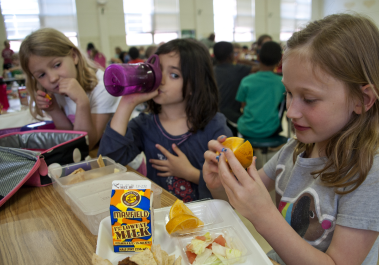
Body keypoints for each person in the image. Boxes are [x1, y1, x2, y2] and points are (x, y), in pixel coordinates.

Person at [203, 13, 379, 265]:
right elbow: (242, 201)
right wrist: (222, 184)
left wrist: (264, 215)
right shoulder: (295, 149)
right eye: (289, 93)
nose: (292, 112)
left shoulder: (373, 174)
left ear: (362, 100)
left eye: (309, 99)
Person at [98, 38, 232, 202]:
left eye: (174, 75)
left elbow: (230, 185)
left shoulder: (215, 126)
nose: (160, 80)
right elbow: (109, 162)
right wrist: (127, 102)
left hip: (206, 220)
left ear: (195, 84)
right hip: (163, 218)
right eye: (158, 70)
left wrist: (190, 173)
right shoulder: (144, 125)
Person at [19, 28, 121, 150]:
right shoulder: (56, 90)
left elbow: (86, 144)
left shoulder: (103, 86)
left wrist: (81, 102)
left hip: (123, 162)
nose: (52, 78)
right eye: (41, 75)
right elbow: (69, 139)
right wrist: (54, 110)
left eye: (57, 65)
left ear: (73, 56)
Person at [236, 41, 285, 138]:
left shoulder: (246, 80)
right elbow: (282, 104)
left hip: (246, 128)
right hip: (270, 129)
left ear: (258, 57)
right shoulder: (282, 83)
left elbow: (242, 105)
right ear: (279, 60)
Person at [213, 41, 259, 136]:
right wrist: (242, 60)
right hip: (233, 117)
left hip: (214, 116)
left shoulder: (211, 71)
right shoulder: (238, 69)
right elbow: (260, 67)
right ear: (231, 55)